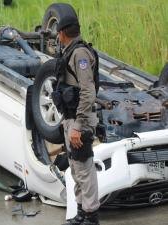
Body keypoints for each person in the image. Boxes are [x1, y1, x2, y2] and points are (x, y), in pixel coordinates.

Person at [56, 15, 100, 225]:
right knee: (75, 168)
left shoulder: (80, 53)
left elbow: (88, 91)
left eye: (58, 32)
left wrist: (78, 126)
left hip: (80, 120)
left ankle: (91, 216)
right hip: (71, 118)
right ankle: (82, 211)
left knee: (83, 168)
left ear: (63, 33)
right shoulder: (69, 52)